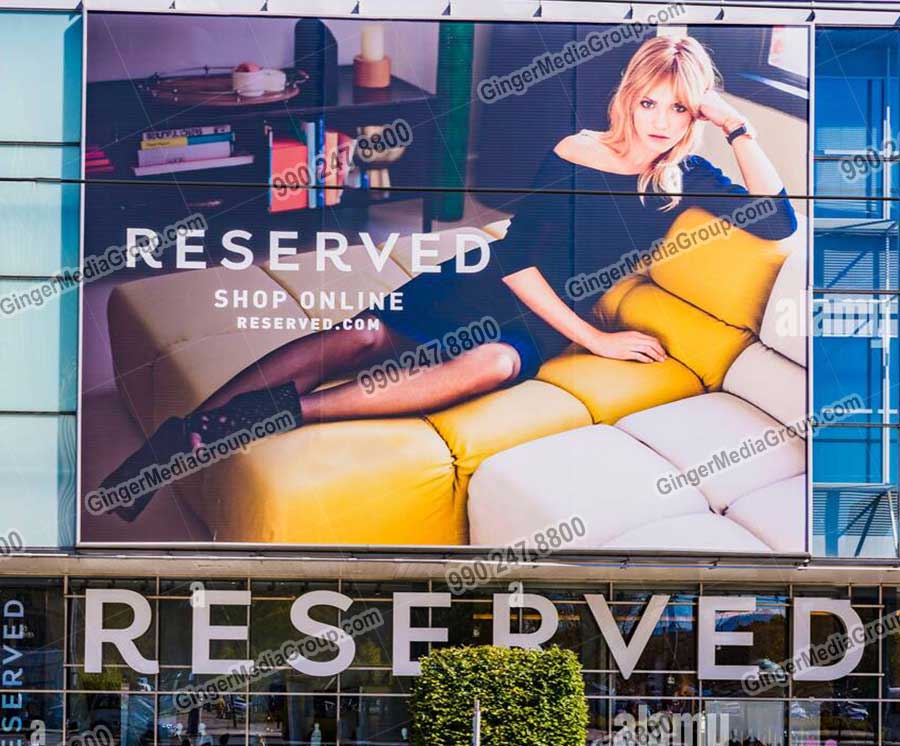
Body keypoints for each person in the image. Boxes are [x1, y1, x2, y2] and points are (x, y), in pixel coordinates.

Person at [99, 35, 797, 523]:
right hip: (493, 281)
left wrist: (738, 127)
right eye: (651, 103)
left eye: (680, 109)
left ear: (695, 115)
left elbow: (778, 222)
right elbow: (519, 260)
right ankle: (173, 445)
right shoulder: (575, 150)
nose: (660, 122)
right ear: (629, 98)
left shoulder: (682, 179)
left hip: (533, 324)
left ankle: (281, 413)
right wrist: (600, 341)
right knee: (363, 337)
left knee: (492, 360)